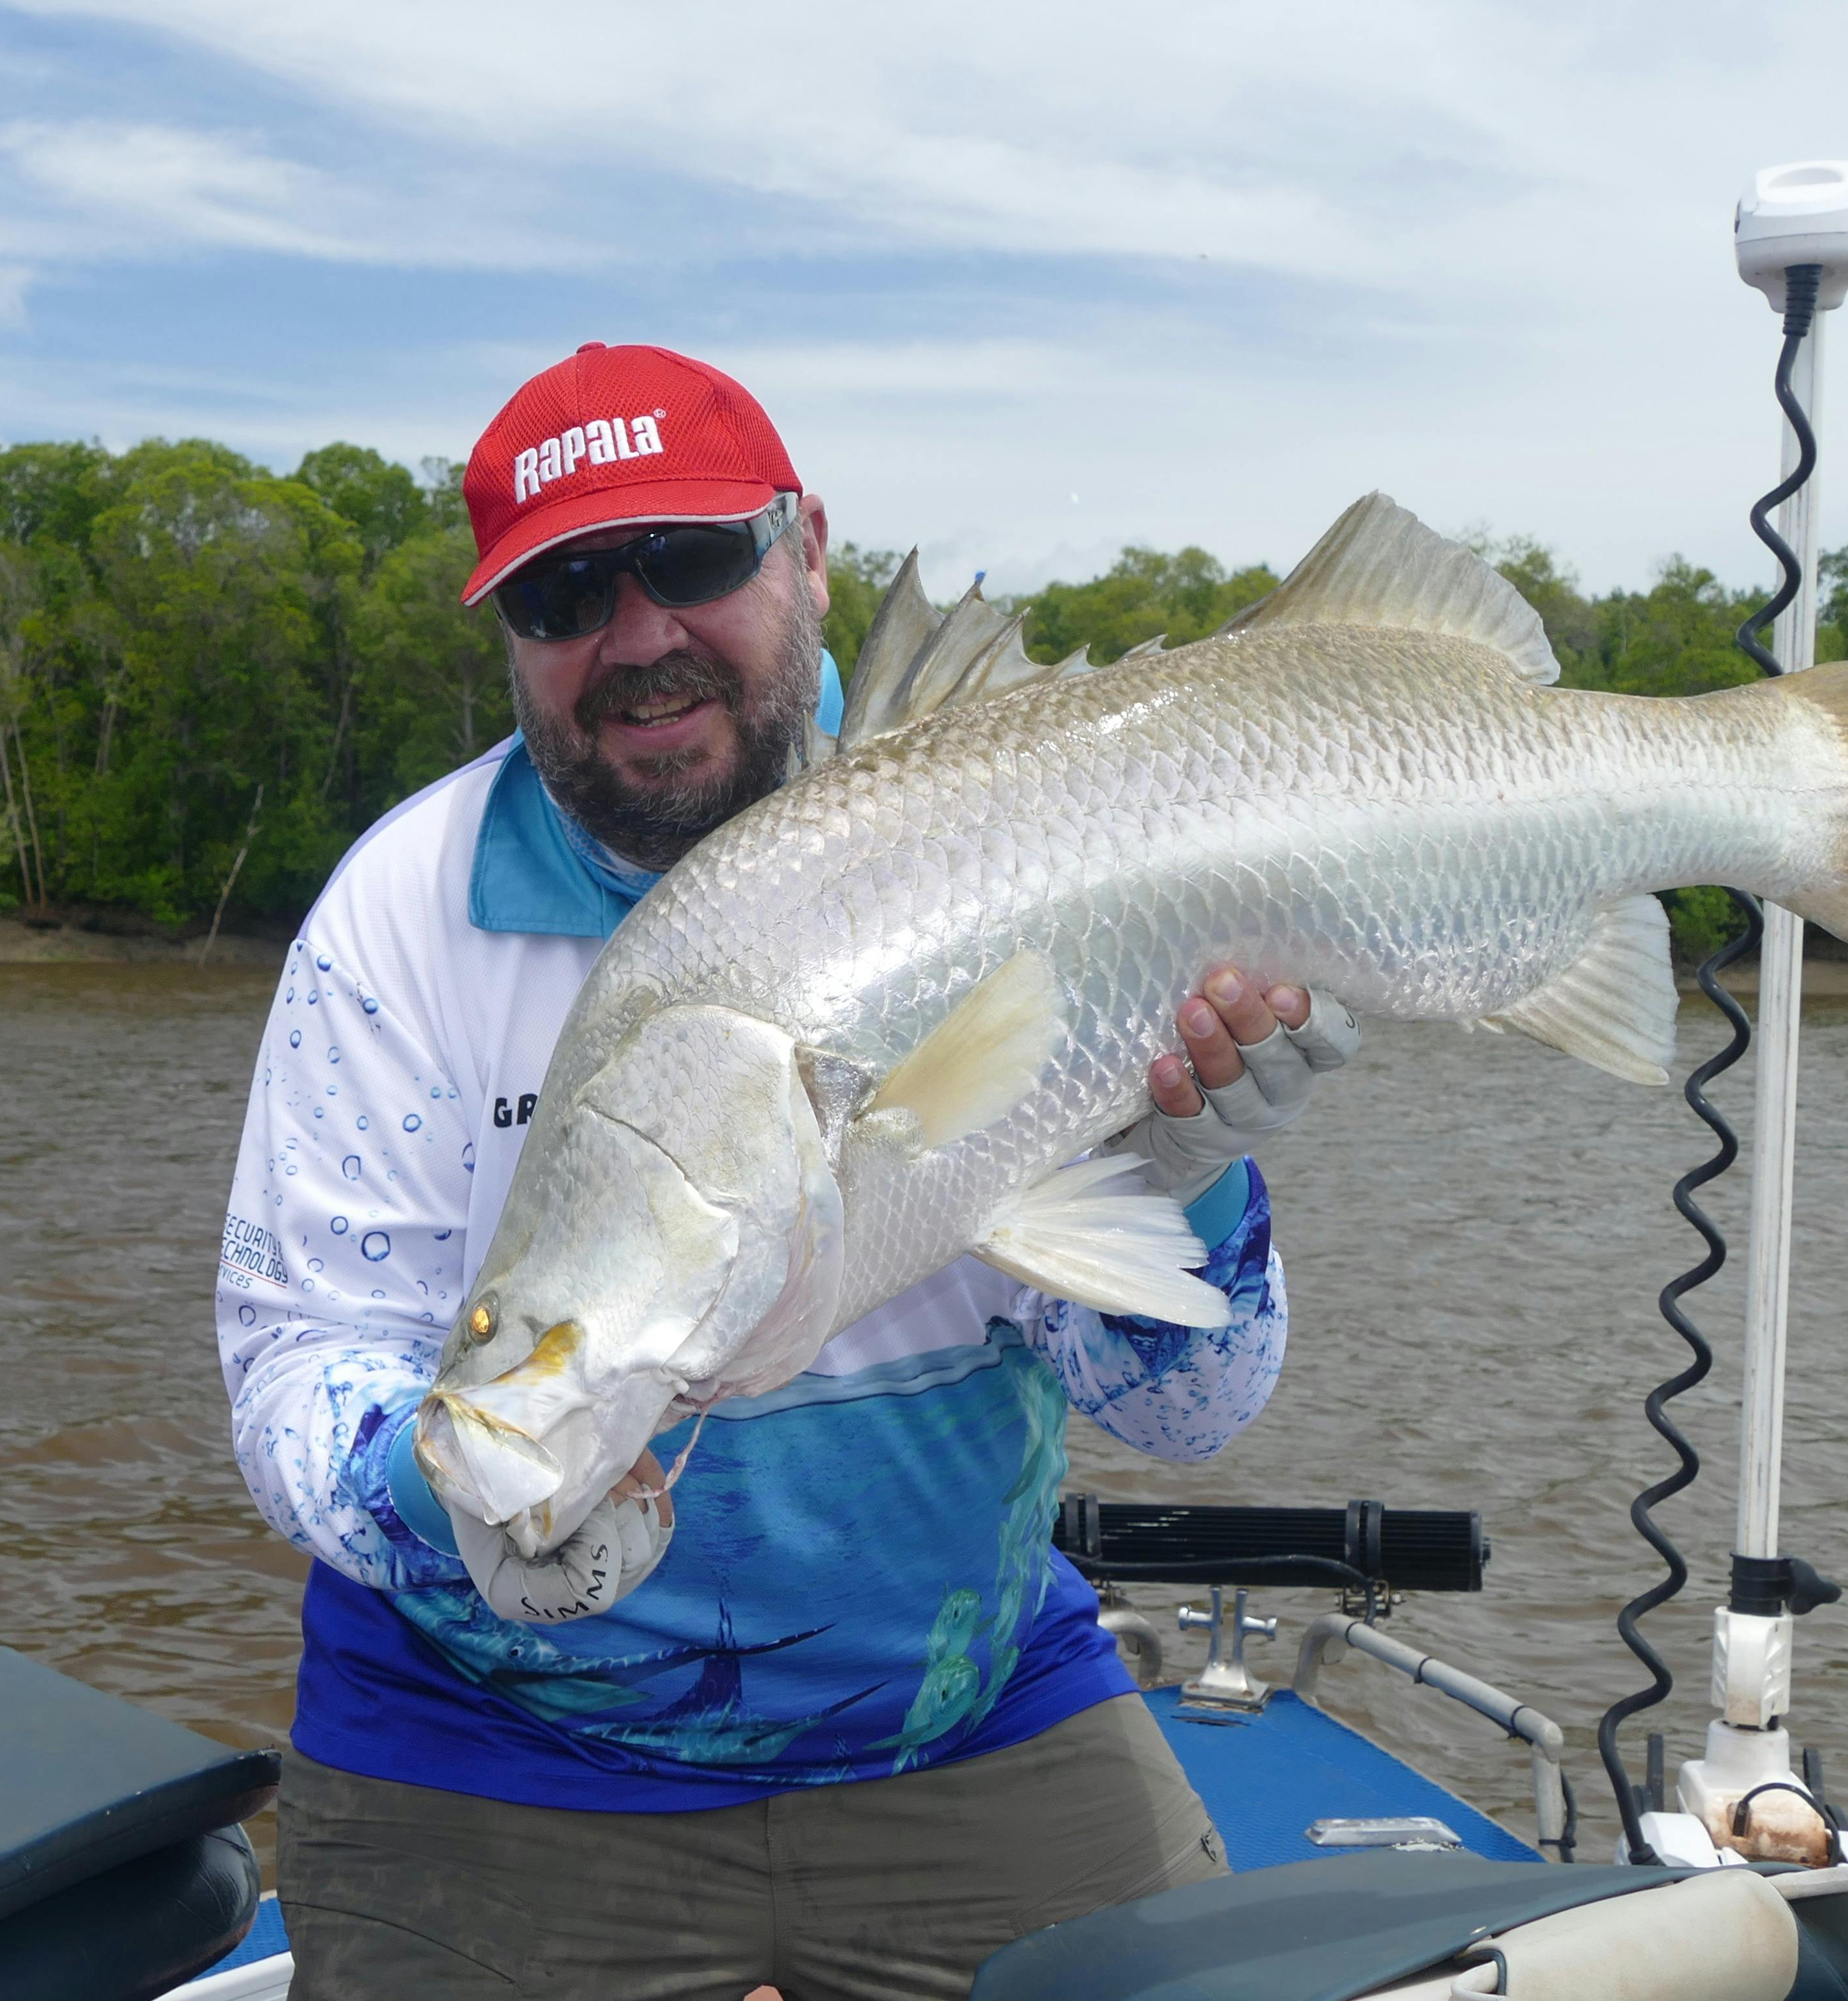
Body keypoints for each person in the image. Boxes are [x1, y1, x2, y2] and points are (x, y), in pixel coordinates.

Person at [214, 342, 1354, 2001]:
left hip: (964, 1718)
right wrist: (450, 1501)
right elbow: (292, 1363)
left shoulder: (1064, 833)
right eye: (564, 592)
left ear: (807, 548)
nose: (638, 636)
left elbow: (1192, 1418)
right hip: (485, 1753)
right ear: (510, 640)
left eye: (688, 562)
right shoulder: (401, 919)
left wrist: (1188, 1175)